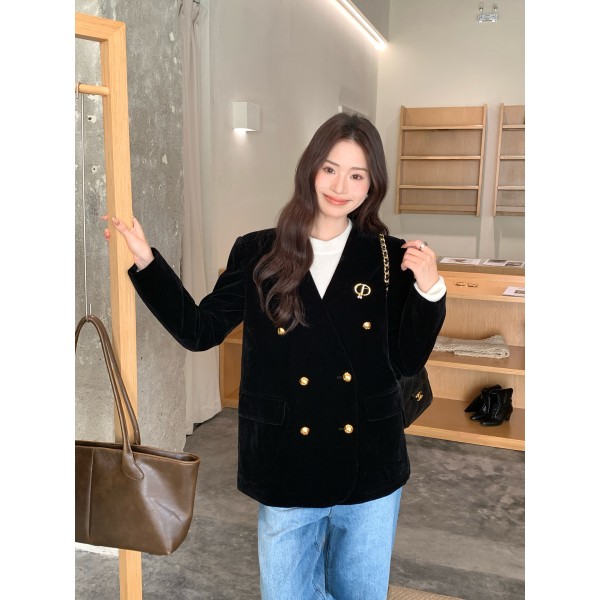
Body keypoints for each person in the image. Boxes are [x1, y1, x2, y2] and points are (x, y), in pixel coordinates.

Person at [103, 112, 446, 600]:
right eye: (330, 169)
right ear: (310, 168)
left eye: (357, 175)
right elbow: (199, 330)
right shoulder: (259, 250)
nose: (340, 187)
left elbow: (407, 361)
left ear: (373, 185)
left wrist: (430, 290)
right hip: (288, 460)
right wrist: (146, 260)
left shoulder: (389, 256)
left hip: (369, 460)